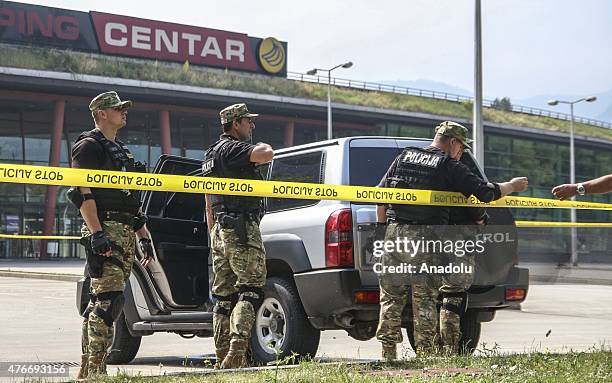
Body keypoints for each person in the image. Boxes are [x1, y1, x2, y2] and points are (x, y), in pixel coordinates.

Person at [375, 121, 528, 359]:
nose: (461, 153)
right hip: (426, 237)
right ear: (453, 142)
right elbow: (485, 193)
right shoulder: (448, 164)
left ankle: (388, 353)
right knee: (424, 297)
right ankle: (425, 354)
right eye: (461, 148)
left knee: (391, 296)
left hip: (395, 234)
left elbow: (380, 195)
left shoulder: (404, 157)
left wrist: (382, 230)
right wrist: (513, 186)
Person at [69, 91, 154, 378]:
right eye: (118, 109)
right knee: (107, 301)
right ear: (102, 113)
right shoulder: (88, 146)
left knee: (107, 300)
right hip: (105, 228)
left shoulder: (120, 149)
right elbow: (82, 192)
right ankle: (94, 369)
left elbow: (129, 199)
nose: (124, 112)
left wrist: (143, 235)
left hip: (125, 229)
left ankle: (90, 367)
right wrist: (97, 233)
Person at [203, 103, 273, 369]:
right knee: (252, 289)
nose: (252, 126)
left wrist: (213, 232)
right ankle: (236, 350)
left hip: (220, 229)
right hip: (242, 228)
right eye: (247, 121)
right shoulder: (232, 149)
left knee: (223, 297)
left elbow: (208, 199)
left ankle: (223, 357)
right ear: (235, 124)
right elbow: (266, 154)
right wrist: (264, 144)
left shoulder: (210, 155)